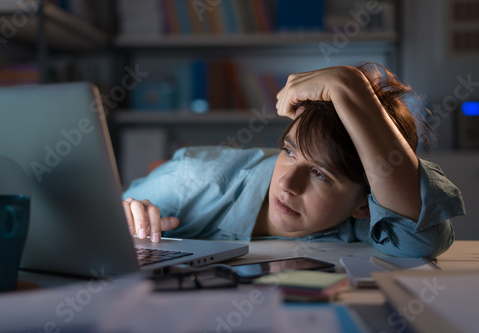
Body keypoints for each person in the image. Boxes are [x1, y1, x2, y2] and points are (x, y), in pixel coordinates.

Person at [122, 63, 465, 258]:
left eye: (320, 174)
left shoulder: (366, 218)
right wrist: (125, 218)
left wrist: (348, 86)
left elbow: (422, 240)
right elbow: (100, 221)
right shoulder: (192, 182)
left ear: (364, 203)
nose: (286, 183)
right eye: (289, 151)